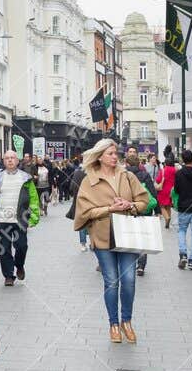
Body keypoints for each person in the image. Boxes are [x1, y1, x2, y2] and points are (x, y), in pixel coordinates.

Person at [74, 139, 155, 343]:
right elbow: (84, 212)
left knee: (128, 281)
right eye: (110, 153)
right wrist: (109, 209)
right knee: (111, 282)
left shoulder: (127, 176)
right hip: (103, 238)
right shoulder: (89, 181)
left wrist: (129, 205)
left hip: (127, 234)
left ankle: (126, 321)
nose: (114, 156)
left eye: (115, 153)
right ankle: (113, 324)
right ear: (100, 156)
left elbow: (145, 201)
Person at [0, 150, 41, 287]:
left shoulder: (26, 177)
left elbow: (33, 198)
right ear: (4, 161)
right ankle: (9, 275)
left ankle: (19, 265)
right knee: (4, 248)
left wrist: (34, 217)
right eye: (7, 158)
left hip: (20, 219)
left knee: (22, 246)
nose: (10, 160)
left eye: (12, 158)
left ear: (17, 160)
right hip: (2, 219)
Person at [125, 149, 157, 275]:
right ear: (139, 164)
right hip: (145, 210)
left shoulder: (123, 176)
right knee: (143, 237)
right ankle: (141, 266)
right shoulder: (144, 175)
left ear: (127, 164)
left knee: (130, 236)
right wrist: (157, 210)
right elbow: (152, 193)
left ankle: (130, 263)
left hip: (129, 210)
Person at [153, 156, 174, 228]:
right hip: (171, 191)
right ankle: (168, 221)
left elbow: (158, 180)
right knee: (168, 206)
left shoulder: (163, 170)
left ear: (165, 163)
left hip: (163, 190)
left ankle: (167, 218)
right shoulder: (175, 170)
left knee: (162, 206)